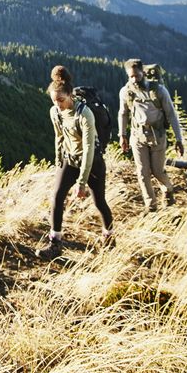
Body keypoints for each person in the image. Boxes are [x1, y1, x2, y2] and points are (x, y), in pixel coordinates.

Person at [36, 66, 114, 259]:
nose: (58, 105)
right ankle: (55, 243)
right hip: (69, 159)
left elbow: (88, 148)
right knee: (56, 197)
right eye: (54, 101)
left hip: (92, 161)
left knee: (99, 202)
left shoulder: (84, 114)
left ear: (70, 95)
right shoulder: (55, 112)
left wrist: (81, 182)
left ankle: (110, 238)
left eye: (61, 100)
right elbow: (59, 137)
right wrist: (58, 161)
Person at [117, 58, 184, 212]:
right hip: (137, 135)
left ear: (143, 73)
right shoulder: (126, 92)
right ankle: (151, 205)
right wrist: (122, 135)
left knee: (157, 171)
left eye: (137, 76)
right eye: (131, 76)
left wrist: (179, 139)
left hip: (157, 135)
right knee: (142, 172)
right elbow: (123, 114)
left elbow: (171, 114)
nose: (134, 79)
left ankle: (168, 189)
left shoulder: (158, 91)